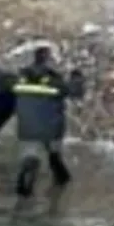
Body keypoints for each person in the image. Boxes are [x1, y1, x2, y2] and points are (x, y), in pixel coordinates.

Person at [12, 43, 86, 197]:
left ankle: (24, 190)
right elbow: (75, 92)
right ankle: (62, 183)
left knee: (30, 156)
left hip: (27, 127)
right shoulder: (54, 81)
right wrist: (77, 77)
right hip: (51, 126)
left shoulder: (20, 79)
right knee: (54, 155)